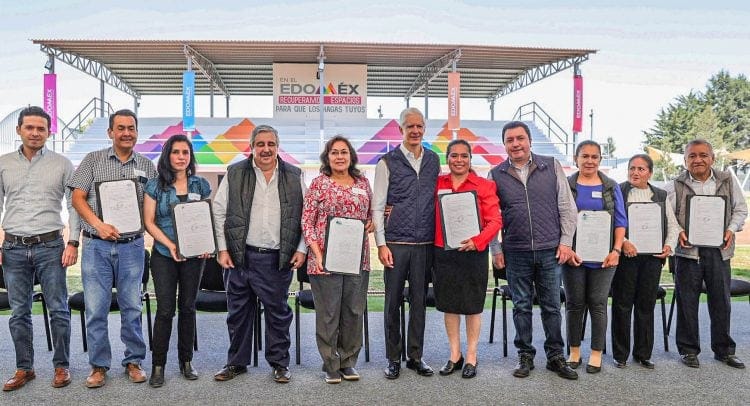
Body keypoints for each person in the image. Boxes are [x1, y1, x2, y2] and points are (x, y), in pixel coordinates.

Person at [68, 109, 157, 388]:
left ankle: (134, 361)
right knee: (96, 309)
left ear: (137, 132)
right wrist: (99, 225)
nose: (126, 133)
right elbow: (77, 198)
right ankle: (98, 366)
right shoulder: (92, 160)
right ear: (110, 132)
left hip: (132, 246)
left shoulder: (147, 166)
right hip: (97, 246)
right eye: (121, 128)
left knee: (132, 306)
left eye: (131, 128)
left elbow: (153, 207)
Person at [212, 124, 307, 383]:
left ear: (278, 147)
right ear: (252, 147)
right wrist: (222, 248)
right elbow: (219, 212)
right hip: (240, 257)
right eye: (260, 144)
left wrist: (301, 249)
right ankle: (236, 363)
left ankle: (279, 364)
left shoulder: (294, 175)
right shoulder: (234, 173)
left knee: (278, 314)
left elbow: (305, 216)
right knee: (238, 314)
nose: (266, 149)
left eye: (271, 144)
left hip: (277, 259)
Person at [489, 121, 579, 380]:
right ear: (504, 144)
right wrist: (496, 249)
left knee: (552, 306)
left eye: (520, 138)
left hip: (550, 249)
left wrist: (566, 242)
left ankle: (555, 356)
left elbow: (566, 206)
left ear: (530, 141)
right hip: (515, 252)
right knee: (521, 306)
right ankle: (525, 355)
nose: (515, 144)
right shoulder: (496, 174)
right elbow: (491, 216)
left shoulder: (551, 165)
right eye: (510, 140)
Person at [0, 106, 80, 391]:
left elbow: (74, 205)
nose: (35, 133)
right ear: (19, 130)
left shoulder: (62, 164)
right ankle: (25, 368)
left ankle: (61, 366)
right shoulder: (3, 163)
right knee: (19, 312)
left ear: (49, 132)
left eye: (41, 128)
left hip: (51, 246)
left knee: (58, 309)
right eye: (29, 127)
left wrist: (73, 241)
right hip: (13, 248)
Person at [665, 139, 747, 369]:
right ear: (685, 160)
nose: (698, 160)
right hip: (687, 253)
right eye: (692, 156)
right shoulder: (674, 185)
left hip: (719, 252)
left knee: (721, 301)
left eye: (703, 155)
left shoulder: (728, 180)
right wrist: (679, 231)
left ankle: (724, 350)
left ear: (712, 158)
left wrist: (731, 229)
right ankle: (689, 351)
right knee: (687, 302)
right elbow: (668, 215)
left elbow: (740, 210)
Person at [373, 107, 439, 379]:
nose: (415, 130)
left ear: (424, 129)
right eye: (409, 126)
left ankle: (415, 356)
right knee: (392, 303)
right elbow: (378, 207)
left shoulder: (434, 160)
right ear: (400, 129)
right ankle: (393, 358)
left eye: (419, 126)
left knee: (419, 303)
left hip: (425, 244)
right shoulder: (386, 162)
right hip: (396, 244)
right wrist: (381, 244)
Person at [301, 135, 374, 384]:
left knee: (353, 311)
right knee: (329, 314)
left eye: (344, 152)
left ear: (351, 156)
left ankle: (347, 362)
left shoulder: (363, 183)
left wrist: (372, 222)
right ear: (327, 157)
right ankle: (331, 364)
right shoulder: (318, 184)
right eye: (334, 152)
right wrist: (318, 254)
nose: (340, 156)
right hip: (324, 260)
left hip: (357, 259)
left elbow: (371, 215)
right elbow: (307, 222)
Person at [143, 134, 212, 387]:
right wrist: (171, 245)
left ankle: (186, 361)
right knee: (165, 310)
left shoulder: (200, 185)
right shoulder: (154, 186)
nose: (181, 157)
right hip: (164, 255)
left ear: (190, 157)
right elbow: (149, 222)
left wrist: (205, 244)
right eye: (176, 152)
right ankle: (158, 365)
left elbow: (206, 218)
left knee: (188, 307)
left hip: (194, 257)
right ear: (167, 156)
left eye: (185, 152)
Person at [433, 140, 501, 379]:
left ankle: (472, 355)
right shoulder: (437, 183)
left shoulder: (484, 186)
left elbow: (495, 221)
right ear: (447, 158)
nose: (459, 160)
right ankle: (455, 354)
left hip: (473, 252)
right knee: (450, 304)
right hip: (443, 252)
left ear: (470, 159)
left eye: (464, 156)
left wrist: (478, 240)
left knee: (472, 306)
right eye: (454, 155)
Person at [564, 140, 627, 374]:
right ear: (576, 159)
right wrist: (567, 249)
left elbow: (620, 221)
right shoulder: (566, 185)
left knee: (598, 303)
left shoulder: (611, 186)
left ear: (600, 159)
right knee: (574, 304)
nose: (589, 161)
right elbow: (559, 218)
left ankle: (596, 353)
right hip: (573, 256)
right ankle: (574, 351)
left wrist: (616, 251)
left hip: (605, 258)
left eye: (594, 156)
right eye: (585, 156)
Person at [611, 154, 679, 369]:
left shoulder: (660, 194)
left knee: (646, 306)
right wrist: (624, 242)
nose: (635, 172)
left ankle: (643, 353)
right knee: (622, 305)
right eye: (632, 168)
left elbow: (673, 226)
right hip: (626, 258)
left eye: (641, 169)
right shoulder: (618, 191)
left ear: (650, 173)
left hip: (652, 260)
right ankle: (620, 355)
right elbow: (611, 221)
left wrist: (668, 246)